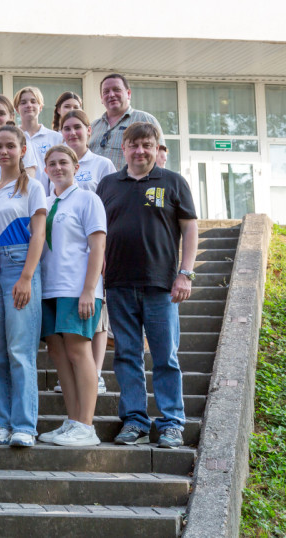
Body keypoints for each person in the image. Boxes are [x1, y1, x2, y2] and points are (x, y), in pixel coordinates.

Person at [97, 122, 198, 449]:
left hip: (161, 285)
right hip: (118, 285)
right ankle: (135, 421)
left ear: (157, 148)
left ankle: (172, 423)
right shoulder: (108, 184)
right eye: (134, 145)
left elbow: (190, 229)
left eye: (147, 145)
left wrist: (186, 273)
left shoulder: (173, 182)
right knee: (126, 355)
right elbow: (98, 232)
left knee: (165, 356)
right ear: (123, 148)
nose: (140, 151)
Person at [0, 125, 47, 447]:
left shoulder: (33, 186)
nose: (3, 151)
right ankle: (1, 423)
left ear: (22, 150)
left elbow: (39, 234)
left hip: (19, 265)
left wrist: (27, 277)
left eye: (10, 145)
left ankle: (24, 425)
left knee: (19, 350)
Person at [37, 145, 107, 447]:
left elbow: (97, 246)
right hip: (49, 288)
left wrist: (89, 290)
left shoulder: (88, 199)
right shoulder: (45, 202)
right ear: (45, 170)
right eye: (51, 163)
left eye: (63, 162)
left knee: (79, 353)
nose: (57, 168)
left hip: (76, 288)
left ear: (76, 167)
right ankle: (73, 420)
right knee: (57, 354)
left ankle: (86, 425)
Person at [59, 108, 117, 392]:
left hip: (96, 244)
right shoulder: (58, 162)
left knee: (97, 310)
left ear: (89, 131)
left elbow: (113, 205)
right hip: (66, 250)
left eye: (77, 128)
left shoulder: (102, 164)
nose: (72, 133)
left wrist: (105, 247)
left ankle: (96, 373)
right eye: (67, 128)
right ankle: (75, 373)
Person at [89, 73, 165, 171]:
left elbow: (160, 159)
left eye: (116, 90)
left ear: (128, 93)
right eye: (106, 92)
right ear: (101, 98)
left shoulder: (145, 120)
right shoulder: (93, 127)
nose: (111, 95)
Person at [15, 86, 63, 175]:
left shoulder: (56, 138)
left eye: (33, 101)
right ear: (17, 109)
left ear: (40, 107)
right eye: (23, 102)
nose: (29, 105)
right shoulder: (12, 137)